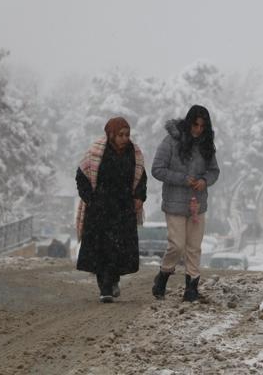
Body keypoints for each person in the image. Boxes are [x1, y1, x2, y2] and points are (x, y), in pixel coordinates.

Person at [151, 105, 220, 302]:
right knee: (177, 246)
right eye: (195, 125)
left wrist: (205, 180)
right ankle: (163, 275)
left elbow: (214, 171)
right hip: (174, 203)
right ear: (188, 123)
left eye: (202, 126)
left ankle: (192, 287)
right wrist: (182, 178)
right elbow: (157, 169)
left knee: (194, 247)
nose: (198, 130)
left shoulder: (207, 145)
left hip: (197, 204)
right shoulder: (171, 141)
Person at [75, 117, 147, 303]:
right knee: (101, 250)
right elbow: (81, 177)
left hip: (123, 210)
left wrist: (139, 197)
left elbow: (141, 179)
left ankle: (114, 280)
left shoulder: (134, 153)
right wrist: (91, 199)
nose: (125, 138)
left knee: (119, 249)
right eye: (120, 135)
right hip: (99, 210)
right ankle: (105, 288)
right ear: (111, 135)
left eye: (127, 135)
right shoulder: (96, 152)